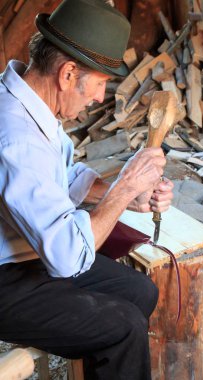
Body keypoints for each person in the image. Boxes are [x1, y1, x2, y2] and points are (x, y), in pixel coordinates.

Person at [0, 0, 173, 379]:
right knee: (123, 327)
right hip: (6, 278)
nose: (99, 98)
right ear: (67, 74)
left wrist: (128, 194)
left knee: (140, 292)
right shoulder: (16, 137)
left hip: (27, 255)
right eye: (99, 85)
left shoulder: (28, 104)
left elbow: (61, 177)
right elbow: (66, 256)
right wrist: (124, 189)